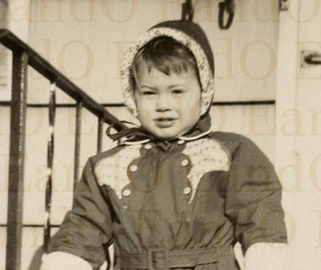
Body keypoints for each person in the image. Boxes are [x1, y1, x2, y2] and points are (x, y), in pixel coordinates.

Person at [40, 20, 287, 270]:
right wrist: (66, 260)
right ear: (132, 96)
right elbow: (82, 230)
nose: (163, 105)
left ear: (203, 92)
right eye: (150, 93)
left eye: (177, 92)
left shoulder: (231, 153)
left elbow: (261, 221)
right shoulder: (107, 167)